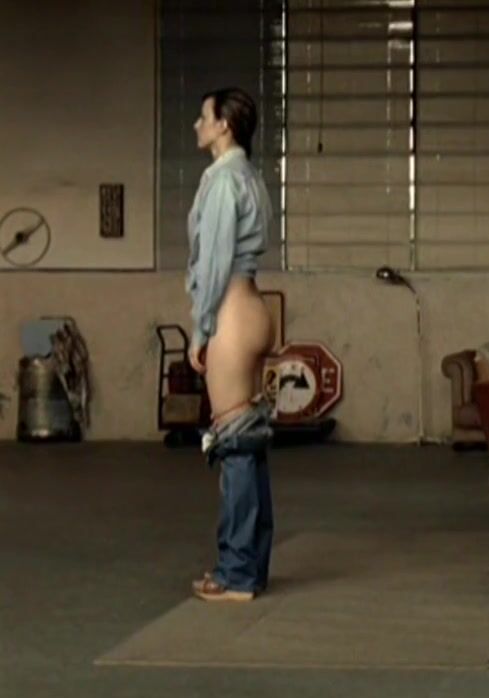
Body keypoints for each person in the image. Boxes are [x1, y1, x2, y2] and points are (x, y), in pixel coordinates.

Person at [185, 87, 276, 602]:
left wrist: (201, 328)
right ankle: (250, 567)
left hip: (231, 310)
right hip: (252, 304)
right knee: (249, 444)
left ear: (224, 125)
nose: (197, 125)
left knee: (234, 447)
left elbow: (215, 262)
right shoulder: (249, 176)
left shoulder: (223, 180)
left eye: (204, 117)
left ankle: (236, 573)